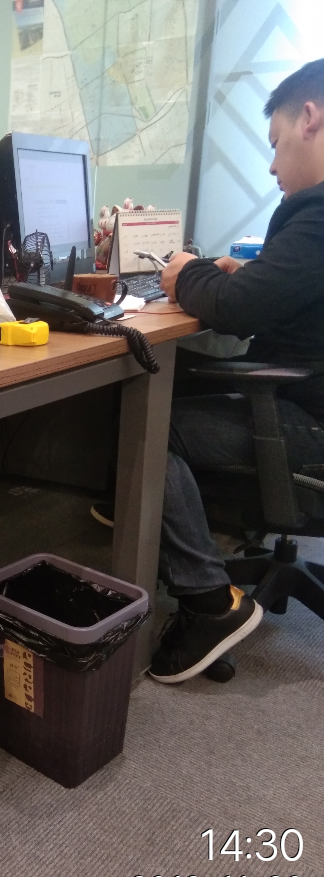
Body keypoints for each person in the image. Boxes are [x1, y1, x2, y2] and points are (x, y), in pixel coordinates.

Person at [148, 58, 324, 683]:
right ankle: (167, 529)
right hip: (308, 402)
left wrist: (185, 272)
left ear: (310, 118)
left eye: (275, 143)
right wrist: (248, 277)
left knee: (146, 425)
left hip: (307, 423)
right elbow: (281, 298)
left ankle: (206, 601)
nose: (272, 165)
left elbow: (238, 311)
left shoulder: (318, 213)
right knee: (165, 377)